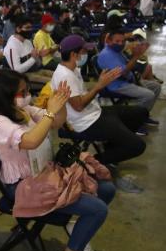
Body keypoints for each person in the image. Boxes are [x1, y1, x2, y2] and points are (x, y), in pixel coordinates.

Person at [0, 69, 116, 251]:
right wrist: (50, 112)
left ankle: (77, 229)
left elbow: (56, 122)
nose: (27, 96)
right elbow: (31, 140)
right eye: (22, 92)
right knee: (97, 210)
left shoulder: (21, 109)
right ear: (5, 94)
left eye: (27, 91)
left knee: (105, 188)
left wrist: (61, 104)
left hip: (44, 174)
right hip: (22, 186)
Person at [53, 35, 148, 165]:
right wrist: (99, 86)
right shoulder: (65, 76)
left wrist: (99, 84)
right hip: (85, 122)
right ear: (74, 54)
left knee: (141, 113)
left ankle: (112, 149)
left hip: (95, 112)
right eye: (84, 51)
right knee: (138, 146)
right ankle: (93, 162)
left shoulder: (72, 69)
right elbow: (78, 106)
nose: (86, 54)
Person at [98, 28, 160, 124]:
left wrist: (137, 52)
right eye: (117, 41)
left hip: (128, 80)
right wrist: (136, 56)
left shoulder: (114, 49)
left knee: (156, 86)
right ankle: (134, 122)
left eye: (122, 41)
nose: (120, 43)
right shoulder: (107, 54)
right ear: (109, 41)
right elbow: (124, 72)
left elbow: (127, 64)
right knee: (148, 95)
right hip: (117, 86)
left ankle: (143, 115)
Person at [3, 15, 51, 85]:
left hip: (35, 71)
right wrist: (34, 58)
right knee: (53, 82)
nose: (30, 30)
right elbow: (17, 70)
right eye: (27, 28)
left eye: (30, 27)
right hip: (22, 78)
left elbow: (36, 61)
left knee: (58, 75)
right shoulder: (12, 46)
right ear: (18, 29)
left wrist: (39, 55)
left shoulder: (27, 41)